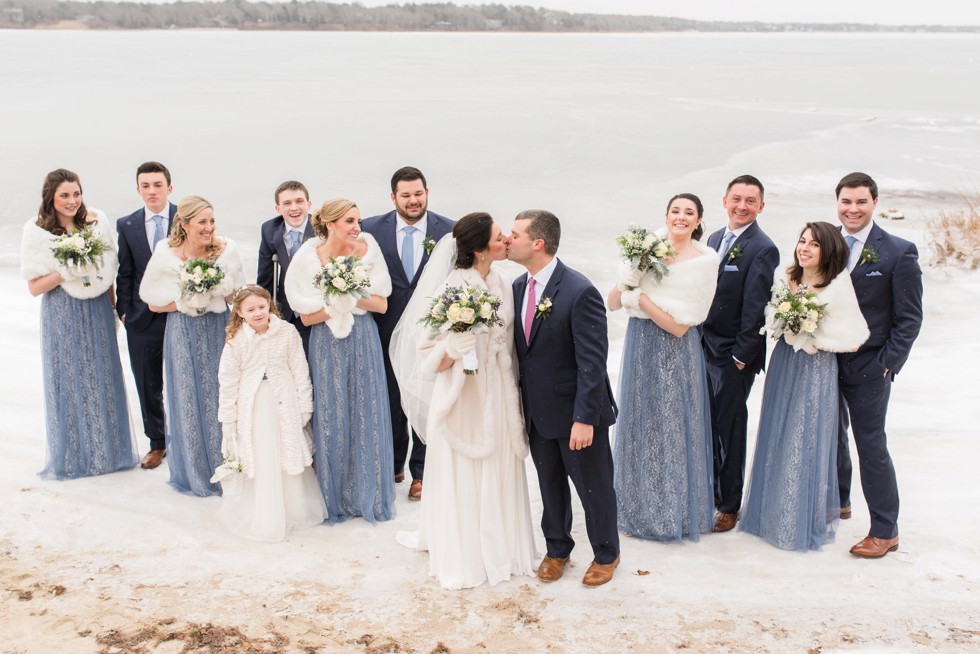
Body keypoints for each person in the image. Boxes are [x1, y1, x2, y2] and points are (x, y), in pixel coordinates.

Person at [392, 213, 539, 589]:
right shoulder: (452, 288)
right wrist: (454, 348)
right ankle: (467, 552)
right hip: (463, 395)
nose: (507, 238)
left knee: (501, 462)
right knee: (467, 466)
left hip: (500, 390)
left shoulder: (504, 282)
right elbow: (426, 355)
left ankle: (504, 544)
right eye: (498, 235)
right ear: (479, 249)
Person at [507, 209, 620, 587]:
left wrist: (585, 418)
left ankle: (607, 553)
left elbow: (593, 363)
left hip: (577, 414)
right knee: (550, 484)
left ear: (537, 243)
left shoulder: (579, 290)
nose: (508, 240)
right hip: (538, 413)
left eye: (515, 234)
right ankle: (557, 549)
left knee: (593, 486)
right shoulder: (519, 288)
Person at [741, 222, 869, 551]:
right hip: (785, 363)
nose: (805, 248)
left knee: (805, 437)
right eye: (802, 241)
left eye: (814, 244)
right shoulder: (789, 277)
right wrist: (785, 324)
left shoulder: (838, 286)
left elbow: (855, 338)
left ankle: (796, 520)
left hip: (816, 368)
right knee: (778, 430)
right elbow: (771, 316)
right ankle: (770, 512)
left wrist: (814, 338)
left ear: (828, 250)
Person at [607, 194, 718, 542]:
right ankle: (634, 508)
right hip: (640, 344)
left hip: (675, 352)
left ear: (698, 221)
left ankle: (672, 512)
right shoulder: (648, 250)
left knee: (671, 428)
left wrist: (640, 299)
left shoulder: (704, 262)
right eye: (675, 211)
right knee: (639, 423)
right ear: (666, 215)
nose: (681, 217)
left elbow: (681, 326)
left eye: (689, 213)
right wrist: (634, 273)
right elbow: (611, 302)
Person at [20, 168, 138, 479]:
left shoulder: (96, 224)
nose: (72, 201)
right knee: (69, 379)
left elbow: (108, 272)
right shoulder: (37, 232)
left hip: (97, 308)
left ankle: (106, 453)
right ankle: (73, 456)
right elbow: (33, 287)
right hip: (62, 311)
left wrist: (115, 310)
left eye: (76, 193)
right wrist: (65, 271)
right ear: (52, 198)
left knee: (101, 376)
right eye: (65, 195)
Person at [284, 198, 396, 524]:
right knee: (332, 413)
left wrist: (351, 293)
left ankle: (368, 494)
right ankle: (333, 496)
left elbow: (382, 304)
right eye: (349, 221)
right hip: (326, 343)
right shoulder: (308, 257)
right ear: (330, 224)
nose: (356, 228)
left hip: (363, 338)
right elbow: (304, 318)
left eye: (358, 221)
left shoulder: (367, 249)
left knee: (366, 411)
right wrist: (335, 305)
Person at [834, 172, 923, 558]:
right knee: (829, 438)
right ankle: (838, 501)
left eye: (861, 202)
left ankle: (885, 530)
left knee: (871, 446)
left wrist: (886, 364)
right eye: (846, 202)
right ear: (837, 203)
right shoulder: (824, 242)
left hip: (870, 365)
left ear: (874, 204)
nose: (853, 209)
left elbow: (910, 318)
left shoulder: (898, 251)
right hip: (824, 361)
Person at [139, 195, 245, 496]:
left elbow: (236, 296)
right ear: (184, 224)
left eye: (212, 221)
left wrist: (220, 291)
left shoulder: (226, 250)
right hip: (182, 332)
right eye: (202, 222)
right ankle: (196, 470)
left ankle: (228, 466)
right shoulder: (166, 253)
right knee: (186, 396)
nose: (209, 227)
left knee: (221, 395)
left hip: (216, 329)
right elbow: (154, 303)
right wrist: (188, 299)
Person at [361, 166, 454, 501]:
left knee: (426, 398)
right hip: (384, 331)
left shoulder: (450, 231)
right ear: (393, 197)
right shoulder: (369, 229)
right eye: (406, 195)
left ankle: (422, 473)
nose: (413, 201)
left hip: (431, 333)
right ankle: (393, 464)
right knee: (389, 399)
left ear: (427, 192)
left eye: (419, 193)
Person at [215, 285, 325, 541]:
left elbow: (300, 371)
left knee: (284, 451)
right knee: (262, 455)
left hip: (283, 402)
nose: (257, 313)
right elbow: (228, 380)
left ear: (270, 306)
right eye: (250, 309)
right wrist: (228, 418)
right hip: (254, 407)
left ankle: (293, 509)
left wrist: (304, 406)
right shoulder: (236, 340)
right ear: (240, 312)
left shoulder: (287, 332)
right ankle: (264, 512)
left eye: (262, 307)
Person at [702, 174, 780, 533]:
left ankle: (730, 504)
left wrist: (740, 357)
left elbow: (756, 307)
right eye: (737, 198)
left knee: (730, 428)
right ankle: (714, 490)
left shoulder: (762, 247)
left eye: (751, 201)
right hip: (703, 346)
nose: (742, 206)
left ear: (761, 207)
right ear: (725, 200)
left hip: (734, 355)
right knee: (708, 422)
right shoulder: (715, 238)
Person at [116, 161, 177, 470]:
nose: (152, 191)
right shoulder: (126, 225)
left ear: (169, 187)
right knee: (147, 383)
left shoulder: (187, 218)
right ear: (138, 189)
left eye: (157, 184)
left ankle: (187, 439)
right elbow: (125, 273)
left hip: (181, 315)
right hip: (141, 318)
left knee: (183, 380)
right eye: (146, 185)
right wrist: (124, 312)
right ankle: (157, 443)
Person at [257, 180, 315, 354]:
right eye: (287, 203)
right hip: (287, 310)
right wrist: (264, 313)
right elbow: (265, 277)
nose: (294, 208)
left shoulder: (322, 227)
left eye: (299, 201)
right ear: (278, 209)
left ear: (308, 204)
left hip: (316, 307)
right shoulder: (269, 229)